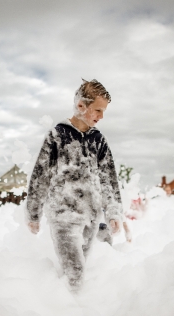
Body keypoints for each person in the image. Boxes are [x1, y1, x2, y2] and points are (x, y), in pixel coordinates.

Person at [26, 79, 123, 291]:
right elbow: (40, 176)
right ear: (81, 106)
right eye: (98, 110)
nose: (102, 116)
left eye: (104, 111)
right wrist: (33, 213)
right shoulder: (57, 136)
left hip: (90, 215)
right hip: (63, 215)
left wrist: (113, 212)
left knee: (80, 269)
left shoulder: (99, 140)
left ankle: (67, 305)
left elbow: (108, 178)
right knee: (75, 271)